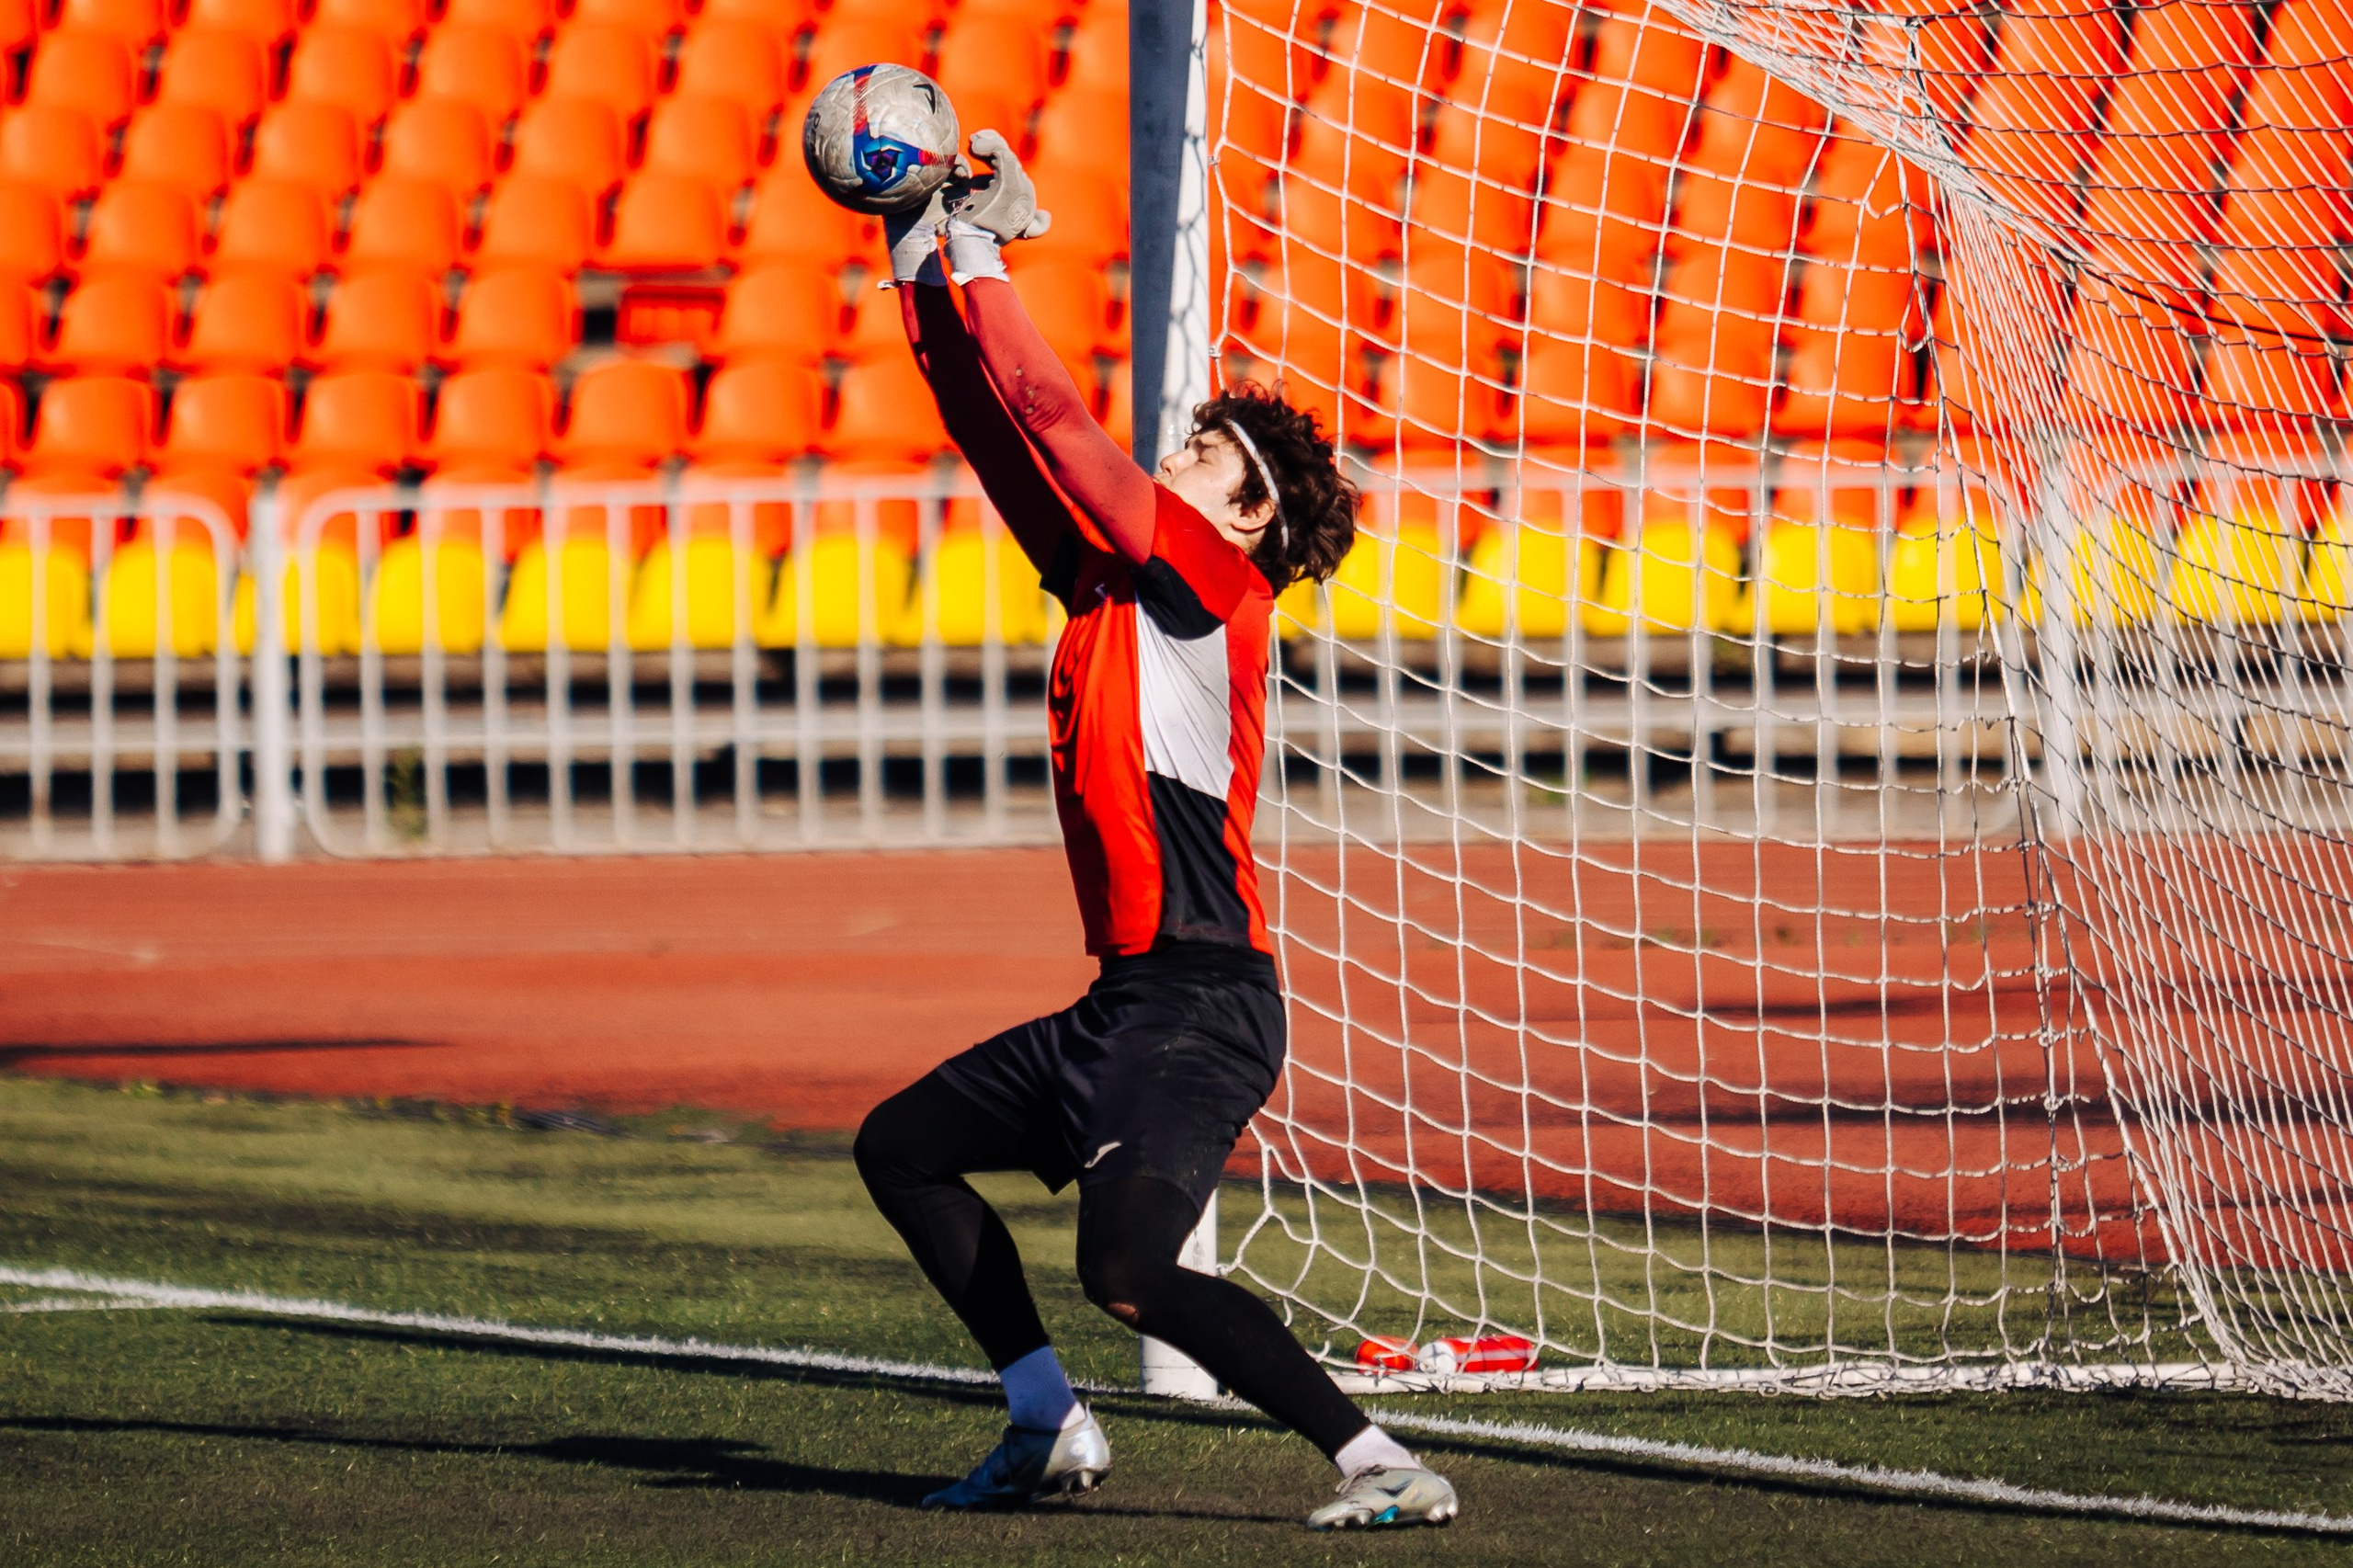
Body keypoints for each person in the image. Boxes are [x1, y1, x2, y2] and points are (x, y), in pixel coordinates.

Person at [850, 131, 1461, 1531]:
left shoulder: (1212, 582)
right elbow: (993, 432)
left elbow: (1059, 423)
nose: (1173, 453)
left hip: (1201, 1002)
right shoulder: (1114, 578)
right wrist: (913, 255)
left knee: (1126, 1265)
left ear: (1248, 514)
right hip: (1130, 1001)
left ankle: (1380, 1461)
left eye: (1204, 451)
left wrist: (986, 252)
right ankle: (1045, 1421)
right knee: (902, 1145)